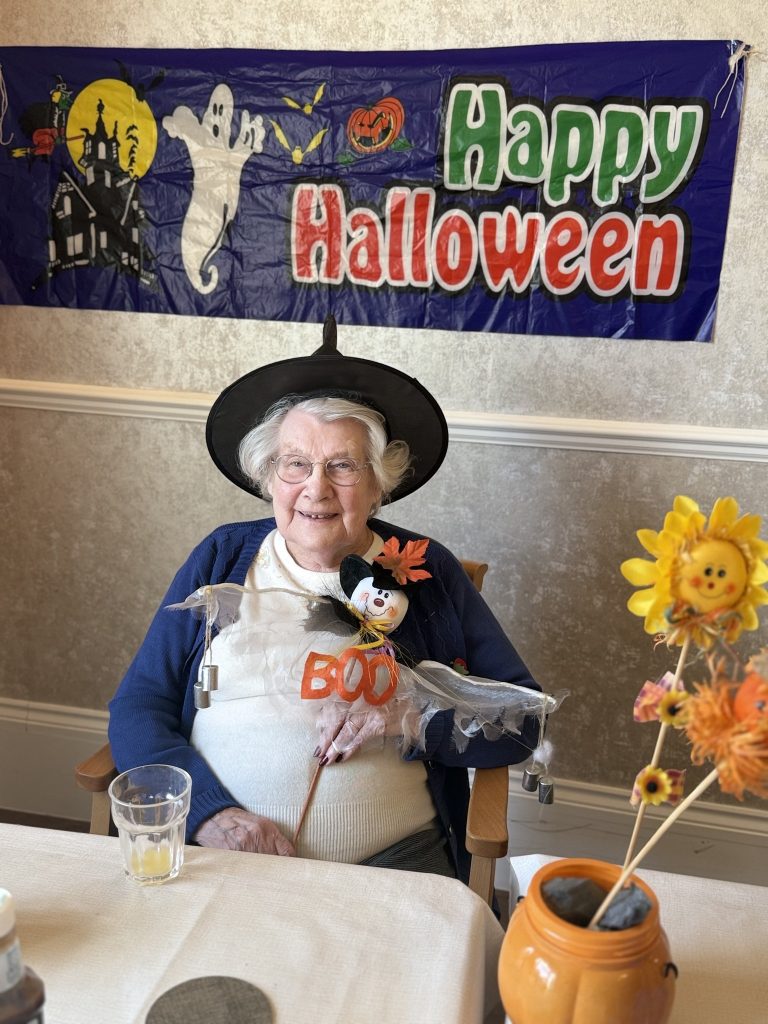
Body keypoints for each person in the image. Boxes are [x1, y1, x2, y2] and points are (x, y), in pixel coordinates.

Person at [108, 316, 540, 883]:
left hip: (393, 864)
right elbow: (140, 706)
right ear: (269, 476)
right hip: (221, 856)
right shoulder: (221, 557)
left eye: (342, 465)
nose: (316, 488)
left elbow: (522, 717)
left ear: (379, 481)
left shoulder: (426, 569)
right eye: (296, 464)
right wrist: (212, 816)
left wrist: (411, 715)